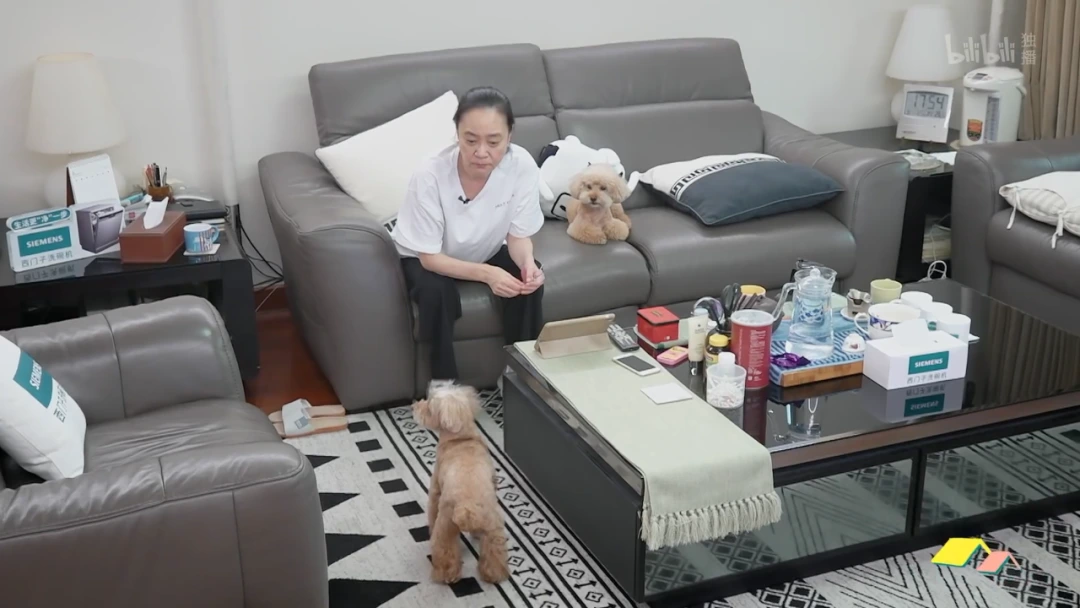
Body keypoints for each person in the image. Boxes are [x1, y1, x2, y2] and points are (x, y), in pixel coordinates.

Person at [392, 86, 546, 381]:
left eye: (494, 141)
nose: (481, 152)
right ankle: (445, 389)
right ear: (457, 134)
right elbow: (430, 258)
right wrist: (488, 274)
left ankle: (522, 378)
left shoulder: (521, 165)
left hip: (484, 250)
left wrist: (527, 263)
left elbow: (518, 236)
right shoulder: (430, 174)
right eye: (471, 140)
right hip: (428, 257)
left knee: (527, 281)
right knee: (437, 294)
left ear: (510, 136)